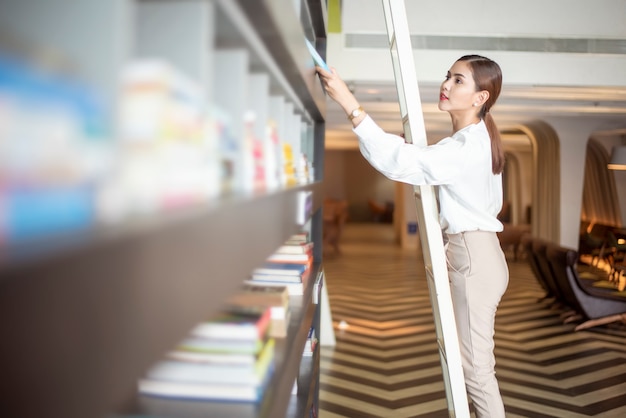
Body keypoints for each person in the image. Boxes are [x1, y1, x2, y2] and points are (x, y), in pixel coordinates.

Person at [316, 55, 509, 418]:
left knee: (477, 372)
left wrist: (348, 102)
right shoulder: (469, 141)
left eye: (459, 81)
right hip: (478, 254)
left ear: (480, 98)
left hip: (474, 258)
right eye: (448, 76)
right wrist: (413, 151)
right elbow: (421, 164)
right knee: (473, 367)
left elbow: (402, 163)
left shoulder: (466, 146)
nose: (446, 85)